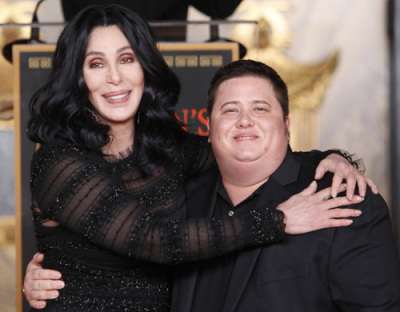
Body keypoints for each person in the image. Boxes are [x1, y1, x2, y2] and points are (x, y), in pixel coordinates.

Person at [23, 4, 375, 311]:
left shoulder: (167, 147)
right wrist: (276, 220)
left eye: (126, 59)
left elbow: (243, 153)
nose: (115, 77)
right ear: (77, 77)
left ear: (144, 67)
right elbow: (152, 239)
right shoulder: (58, 161)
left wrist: (330, 158)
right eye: (96, 64)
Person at [170, 60, 400, 311]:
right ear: (210, 128)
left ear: (286, 127)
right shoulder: (180, 202)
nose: (244, 120)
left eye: (260, 109)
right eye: (230, 110)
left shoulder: (341, 198)